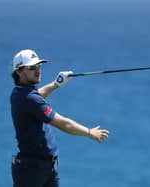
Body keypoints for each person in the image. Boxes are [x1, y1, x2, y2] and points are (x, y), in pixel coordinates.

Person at [10, 49, 109, 187]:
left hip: (46, 166)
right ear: (19, 71)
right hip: (32, 170)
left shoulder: (20, 92)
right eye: (32, 67)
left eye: (39, 66)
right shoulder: (29, 98)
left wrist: (56, 83)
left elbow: (37, 95)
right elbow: (63, 124)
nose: (38, 70)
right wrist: (89, 132)